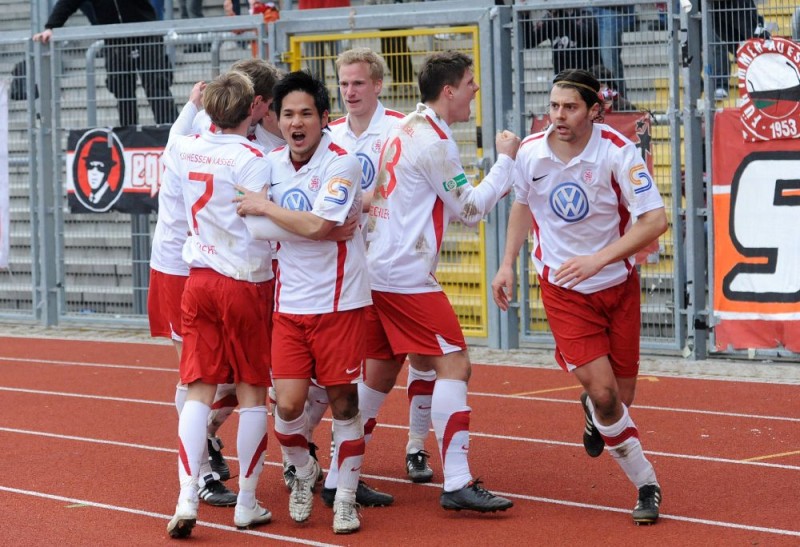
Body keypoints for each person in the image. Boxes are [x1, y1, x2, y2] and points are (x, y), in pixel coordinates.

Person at [491, 69, 668, 525]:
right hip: (564, 289)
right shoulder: (531, 152)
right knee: (607, 395)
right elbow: (522, 205)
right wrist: (507, 263)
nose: (559, 115)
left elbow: (655, 220)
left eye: (569, 107)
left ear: (594, 111)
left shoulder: (618, 152)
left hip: (617, 287)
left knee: (620, 398)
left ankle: (593, 410)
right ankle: (646, 484)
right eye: (553, 106)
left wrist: (598, 259)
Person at [362, 50, 519, 513]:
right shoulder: (433, 140)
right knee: (455, 364)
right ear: (449, 91)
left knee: (380, 373)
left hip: (380, 266)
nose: (476, 89)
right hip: (405, 274)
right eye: (470, 82)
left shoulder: (404, 126)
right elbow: (470, 210)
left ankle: (336, 474)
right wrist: (506, 162)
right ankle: (457, 481)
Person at [235, 70, 370, 535]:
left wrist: (272, 210)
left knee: (344, 402)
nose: (296, 123)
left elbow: (314, 225)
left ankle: (346, 499)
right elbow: (260, 227)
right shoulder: (268, 163)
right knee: (288, 408)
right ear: (277, 118)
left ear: (324, 118)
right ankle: (304, 468)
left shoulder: (342, 162)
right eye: (288, 114)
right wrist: (315, 227)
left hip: (340, 301)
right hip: (289, 303)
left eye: (306, 114)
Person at [164, 71, 275, 539]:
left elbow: (175, 141)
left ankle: (186, 495)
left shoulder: (185, 146)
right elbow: (263, 224)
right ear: (252, 108)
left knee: (198, 389)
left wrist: (192, 107)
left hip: (199, 278)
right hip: (244, 280)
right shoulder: (252, 157)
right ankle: (246, 502)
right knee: (252, 392)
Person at [330, 46, 436, 487]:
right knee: (362, 364)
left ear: (377, 85)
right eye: (344, 83)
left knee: (425, 357)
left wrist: (363, 201)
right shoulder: (330, 133)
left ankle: (416, 445)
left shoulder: (400, 127)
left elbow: (414, 185)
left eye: (358, 83)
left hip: (401, 257)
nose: (349, 91)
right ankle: (338, 459)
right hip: (348, 263)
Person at [33, 0, 178, 128]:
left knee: (157, 88)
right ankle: (129, 138)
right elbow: (67, 3)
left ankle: (172, 134)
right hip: (115, 41)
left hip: (146, 36)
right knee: (122, 92)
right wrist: (51, 27)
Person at [523, 9, 600, 76]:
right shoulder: (550, 20)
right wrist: (525, 16)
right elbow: (529, 43)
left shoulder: (585, 15)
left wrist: (559, 14)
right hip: (562, 77)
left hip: (585, 75)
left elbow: (581, 35)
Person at [709, 0, 760, 100]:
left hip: (737, 5)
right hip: (714, 7)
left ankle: (764, 80)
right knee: (727, 43)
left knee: (754, 38)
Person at [590, 6, 636, 98]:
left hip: (613, 8)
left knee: (610, 65)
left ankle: (619, 102)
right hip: (593, 6)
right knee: (590, 61)